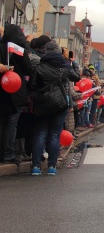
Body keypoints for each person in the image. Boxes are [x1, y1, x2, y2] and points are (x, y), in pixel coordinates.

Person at [30, 39, 80, 175]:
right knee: (54, 135)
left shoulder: (39, 67)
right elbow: (77, 77)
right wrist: (73, 62)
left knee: (39, 135)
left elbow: (32, 86)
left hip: (42, 104)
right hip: (60, 105)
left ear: (46, 52)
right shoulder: (64, 67)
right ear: (58, 52)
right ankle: (52, 166)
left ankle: (36, 166)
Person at [0, 24, 34, 164]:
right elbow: (28, 69)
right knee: (12, 124)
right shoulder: (20, 50)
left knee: (2, 123)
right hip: (16, 92)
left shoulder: (1, 47)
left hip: (2, 89)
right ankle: (8, 153)